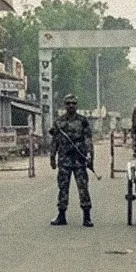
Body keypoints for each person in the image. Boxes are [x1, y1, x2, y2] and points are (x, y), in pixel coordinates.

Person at [49, 94, 94, 227]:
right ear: (64, 105)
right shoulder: (59, 122)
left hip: (80, 160)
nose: (71, 106)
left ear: (77, 105)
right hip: (64, 160)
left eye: (73, 103)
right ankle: (61, 215)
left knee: (83, 188)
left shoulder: (83, 121)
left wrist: (91, 158)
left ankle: (87, 217)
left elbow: (88, 140)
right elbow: (55, 141)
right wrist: (52, 157)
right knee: (63, 188)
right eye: (68, 103)